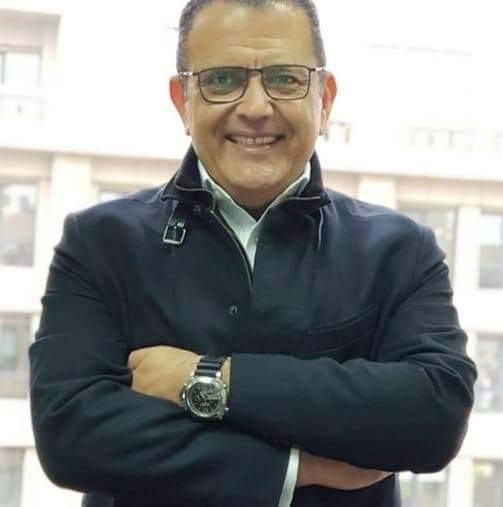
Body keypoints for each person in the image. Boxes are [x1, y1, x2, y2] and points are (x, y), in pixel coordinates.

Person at [29, 0, 477, 506]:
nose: (257, 108)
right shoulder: (100, 243)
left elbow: (434, 415)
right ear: (183, 101)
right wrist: (294, 468)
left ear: (325, 100)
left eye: (285, 79)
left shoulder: (398, 251)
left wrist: (206, 379)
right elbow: (70, 432)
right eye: (222, 80)